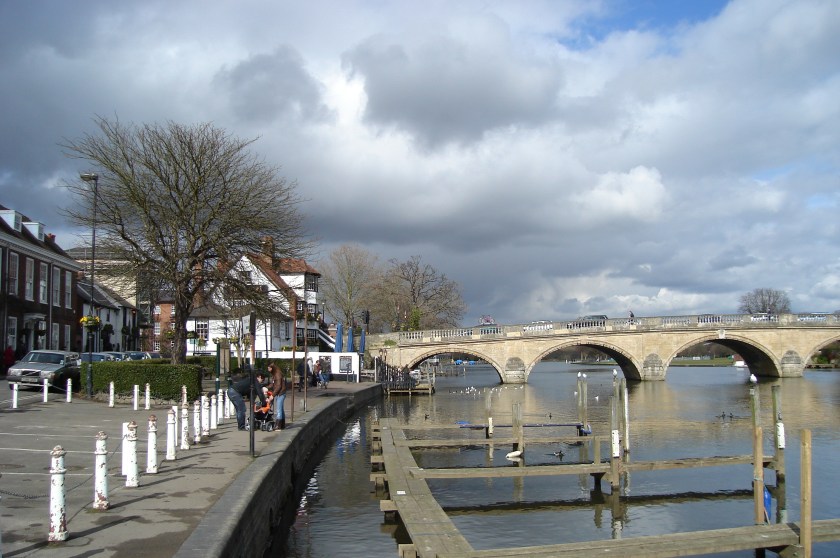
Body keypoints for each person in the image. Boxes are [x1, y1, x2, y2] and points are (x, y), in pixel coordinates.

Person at [268, 362, 287, 430]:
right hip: (280, 393)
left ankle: (278, 425)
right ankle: (282, 424)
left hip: (280, 393)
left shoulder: (277, 374)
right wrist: (267, 387)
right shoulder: (275, 374)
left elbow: (278, 386)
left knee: (278, 410)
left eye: (269, 368)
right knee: (281, 409)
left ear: (272, 368)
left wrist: (272, 395)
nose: (268, 370)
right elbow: (273, 384)